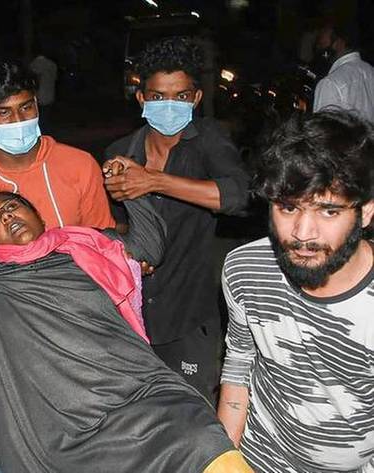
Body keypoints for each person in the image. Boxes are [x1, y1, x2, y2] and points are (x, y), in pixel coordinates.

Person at [0, 190, 253, 473]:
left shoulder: (85, 245)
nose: (5, 216)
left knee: (201, 437)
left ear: (39, 216)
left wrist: (132, 189)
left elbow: (148, 248)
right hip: (58, 425)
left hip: (133, 392)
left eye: (12, 206)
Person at [217, 110, 374, 472]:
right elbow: (240, 364)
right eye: (288, 208)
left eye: (328, 211)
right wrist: (226, 458)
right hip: (258, 455)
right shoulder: (245, 269)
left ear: (365, 212)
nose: (303, 233)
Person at [102, 36, 250, 403]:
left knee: (193, 411)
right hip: (133, 314)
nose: (169, 105)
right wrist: (129, 251)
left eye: (180, 96)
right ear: (141, 98)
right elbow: (115, 225)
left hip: (188, 313)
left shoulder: (208, 140)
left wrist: (154, 181)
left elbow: (238, 196)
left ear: (196, 98)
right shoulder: (120, 153)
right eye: (158, 96)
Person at [0, 58, 115, 230]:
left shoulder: (80, 165)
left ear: (37, 106)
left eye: (26, 108)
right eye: (4, 113)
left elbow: (102, 240)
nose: (18, 120)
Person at [313, 21, 374, 122]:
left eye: (323, 43)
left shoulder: (330, 83)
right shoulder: (371, 71)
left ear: (339, 43)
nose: (320, 47)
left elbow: (322, 130)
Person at [29, 49, 58, 132]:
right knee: (46, 117)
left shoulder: (34, 64)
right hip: (50, 93)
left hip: (38, 95)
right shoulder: (52, 64)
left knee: (38, 117)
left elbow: (34, 80)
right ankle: (45, 132)